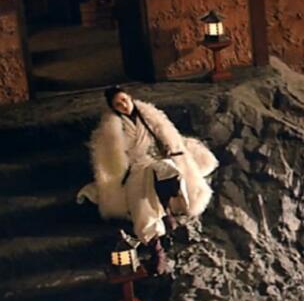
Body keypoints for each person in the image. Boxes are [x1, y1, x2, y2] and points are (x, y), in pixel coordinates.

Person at [78, 87, 218, 255]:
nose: (123, 106)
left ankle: (167, 210)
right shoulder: (113, 128)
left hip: (158, 158)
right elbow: (110, 158)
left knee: (169, 171)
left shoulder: (150, 116)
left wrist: (171, 149)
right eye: (118, 105)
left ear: (130, 98)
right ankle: (156, 242)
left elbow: (168, 137)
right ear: (114, 108)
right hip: (137, 166)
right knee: (141, 198)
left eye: (124, 100)